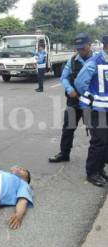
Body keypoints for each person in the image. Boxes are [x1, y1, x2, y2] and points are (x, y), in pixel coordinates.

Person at [49, 33, 93, 163]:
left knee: (97, 132)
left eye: (83, 48)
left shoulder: (97, 60)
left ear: (90, 45)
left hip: (92, 103)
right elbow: (64, 78)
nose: (80, 51)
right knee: (68, 128)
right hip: (74, 100)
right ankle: (64, 153)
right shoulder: (73, 60)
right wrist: (70, 89)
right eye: (78, 48)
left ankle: (101, 157)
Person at [74, 35, 108, 187]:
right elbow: (80, 83)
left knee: (106, 142)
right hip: (96, 109)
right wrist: (92, 96)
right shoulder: (94, 62)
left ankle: (100, 169)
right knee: (99, 141)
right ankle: (92, 172)